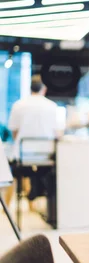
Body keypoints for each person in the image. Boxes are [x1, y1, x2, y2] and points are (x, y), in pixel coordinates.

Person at [5, 75, 62, 206]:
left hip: (23, 158)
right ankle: (43, 205)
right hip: (47, 159)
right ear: (44, 89)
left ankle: (6, 206)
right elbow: (57, 133)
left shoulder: (18, 105)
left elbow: (14, 132)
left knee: (12, 173)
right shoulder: (52, 106)